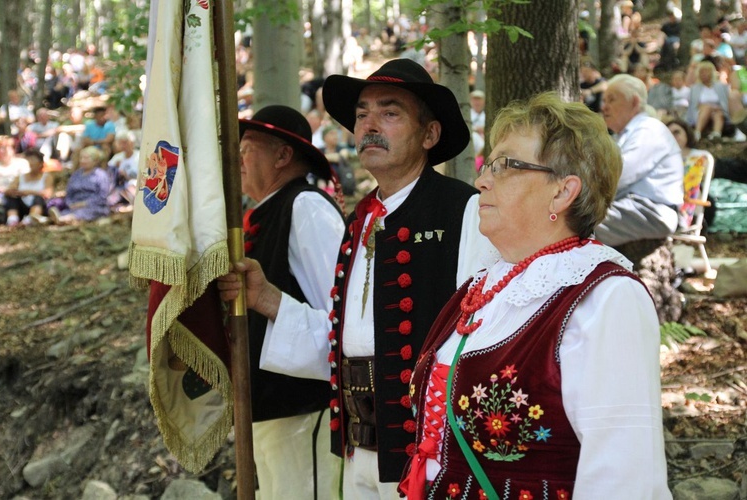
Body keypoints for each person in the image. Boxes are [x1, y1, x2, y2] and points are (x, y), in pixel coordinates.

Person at [218, 58, 493, 498]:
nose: (369, 125)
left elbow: (484, 341)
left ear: (430, 135)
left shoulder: (465, 211)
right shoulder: (361, 220)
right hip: (359, 449)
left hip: (426, 453)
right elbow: (343, 347)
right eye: (362, 114)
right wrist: (269, 300)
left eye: (390, 113)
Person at [399, 92, 671, 499]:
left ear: (562, 192)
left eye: (506, 165)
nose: (482, 180)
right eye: (487, 164)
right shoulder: (482, 287)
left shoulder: (605, 298)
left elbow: (624, 476)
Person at [235, 105, 345, 499]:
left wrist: (269, 300)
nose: (238, 158)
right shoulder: (264, 212)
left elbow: (342, 316)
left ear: (282, 156)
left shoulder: (306, 207)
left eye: (247, 148)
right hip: (269, 407)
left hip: (302, 409)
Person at [596, 73, 684, 246]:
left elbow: (618, 176)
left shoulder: (649, 129)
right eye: (604, 101)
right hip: (631, 206)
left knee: (576, 225)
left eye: (611, 100)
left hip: (652, 211)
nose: (604, 107)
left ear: (634, 103)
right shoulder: (626, 134)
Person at [667, 118, 714, 228]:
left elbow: (707, 178)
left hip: (694, 198)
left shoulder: (701, 156)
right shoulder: (662, 158)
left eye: (677, 132)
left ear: (686, 134)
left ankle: (691, 222)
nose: (673, 136)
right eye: (669, 133)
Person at [48, 146, 110, 224]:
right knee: (60, 208)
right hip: (74, 205)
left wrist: (84, 203)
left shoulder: (100, 175)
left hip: (93, 206)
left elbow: (102, 196)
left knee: (81, 213)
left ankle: (62, 220)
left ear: (95, 161)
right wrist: (70, 203)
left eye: (86, 158)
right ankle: (54, 219)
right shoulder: (76, 174)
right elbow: (69, 192)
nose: (82, 161)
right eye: (81, 158)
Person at [3, 147, 54, 226]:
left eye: (33, 160)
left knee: (38, 198)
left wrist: (29, 192)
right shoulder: (21, 177)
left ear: (40, 163)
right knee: (12, 198)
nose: (31, 163)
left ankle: (30, 220)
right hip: (22, 206)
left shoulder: (47, 177)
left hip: (39, 206)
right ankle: (12, 220)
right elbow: (9, 189)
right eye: (29, 160)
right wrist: (13, 192)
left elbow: (48, 194)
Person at [686, 60, 731, 142]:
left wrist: (716, 108)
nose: (705, 74)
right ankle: (697, 133)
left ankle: (716, 134)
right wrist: (709, 107)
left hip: (719, 111)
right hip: (700, 112)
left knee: (718, 113)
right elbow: (693, 105)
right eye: (702, 72)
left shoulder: (721, 87)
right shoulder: (694, 88)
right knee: (707, 107)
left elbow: (725, 102)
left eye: (707, 71)